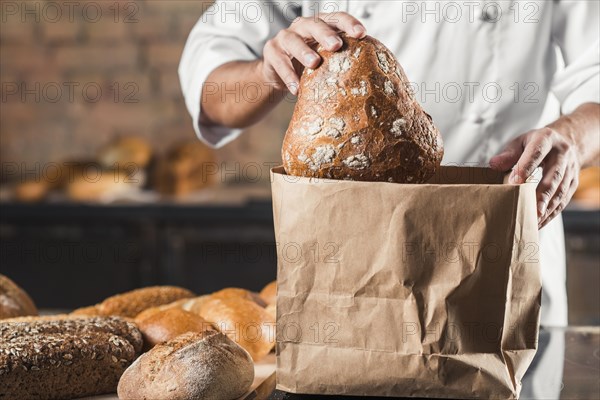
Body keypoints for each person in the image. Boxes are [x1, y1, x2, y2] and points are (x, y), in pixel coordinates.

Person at [179, 1, 599, 328]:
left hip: (498, 255)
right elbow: (211, 92)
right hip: (351, 268)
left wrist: (572, 138)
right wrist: (268, 73)